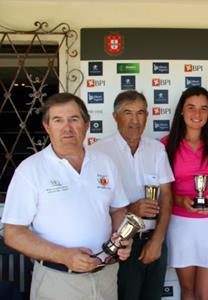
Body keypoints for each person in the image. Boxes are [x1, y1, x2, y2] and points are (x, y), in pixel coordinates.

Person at [1, 93, 132, 300]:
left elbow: (118, 210)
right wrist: (63, 255)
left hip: (105, 277)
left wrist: (123, 237)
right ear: (47, 127)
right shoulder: (30, 170)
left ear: (86, 124)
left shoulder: (105, 163)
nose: (67, 127)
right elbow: (13, 233)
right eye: (58, 120)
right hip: (58, 280)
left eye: (74, 119)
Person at [89, 90, 174, 300]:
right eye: (128, 112)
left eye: (141, 113)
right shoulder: (98, 152)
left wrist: (157, 240)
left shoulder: (156, 149)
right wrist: (131, 209)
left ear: (147, 116)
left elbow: (166, 196)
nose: (135, 120)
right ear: (115, 116)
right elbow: (94, 205)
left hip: (154, 241)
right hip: (119, 245)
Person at [160, 86, 208, 300]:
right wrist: (181, 200)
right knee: (188, 291)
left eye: (203, 109)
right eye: (191, 107)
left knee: (206, 294)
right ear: (181, 110)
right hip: (180, 224)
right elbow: (164, 190)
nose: (197, 114)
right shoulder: (165, 144)